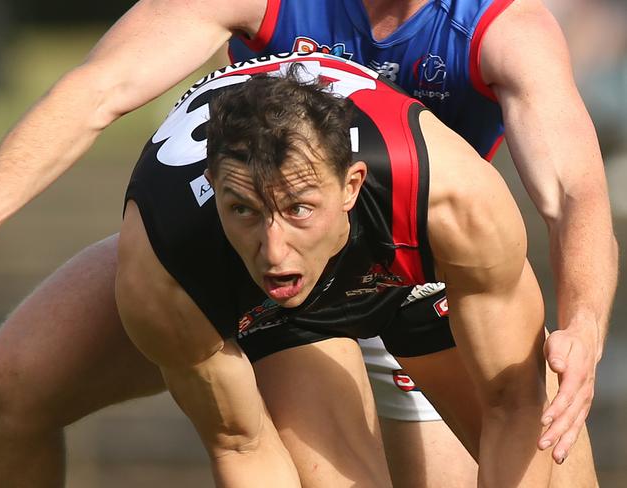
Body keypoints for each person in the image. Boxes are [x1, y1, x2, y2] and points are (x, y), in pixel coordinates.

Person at [0, 0, 616, 486]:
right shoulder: (169, 244)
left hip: (422, 262)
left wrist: (583, 325)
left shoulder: (500, 37)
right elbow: (102, 86)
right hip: (263, 255)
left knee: (548, 435)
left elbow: (575, 191)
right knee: (5, 389)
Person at [116, 52, 553, 487]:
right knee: (43, 380)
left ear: (351, 186)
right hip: (266, 304)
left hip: (403, 253)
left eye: (298, 209)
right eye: (243, 210)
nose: (274, 250)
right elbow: (241, 446)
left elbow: (515, 405)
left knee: (557, 460)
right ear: (213, 188)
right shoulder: (162, 269)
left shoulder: (454, 202)